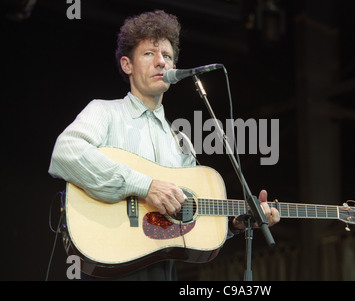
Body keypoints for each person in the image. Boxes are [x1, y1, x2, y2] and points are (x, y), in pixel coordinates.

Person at [49, 10, 280, 281]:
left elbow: (189, 217)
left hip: (162, 269)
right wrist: (144, 186)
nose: (161, 62)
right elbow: (66, 152)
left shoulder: (180, 142)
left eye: (167, 56)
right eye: (149, 54)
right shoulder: (104, 112)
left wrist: (235, 223)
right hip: (109, 261)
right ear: (127, 65)